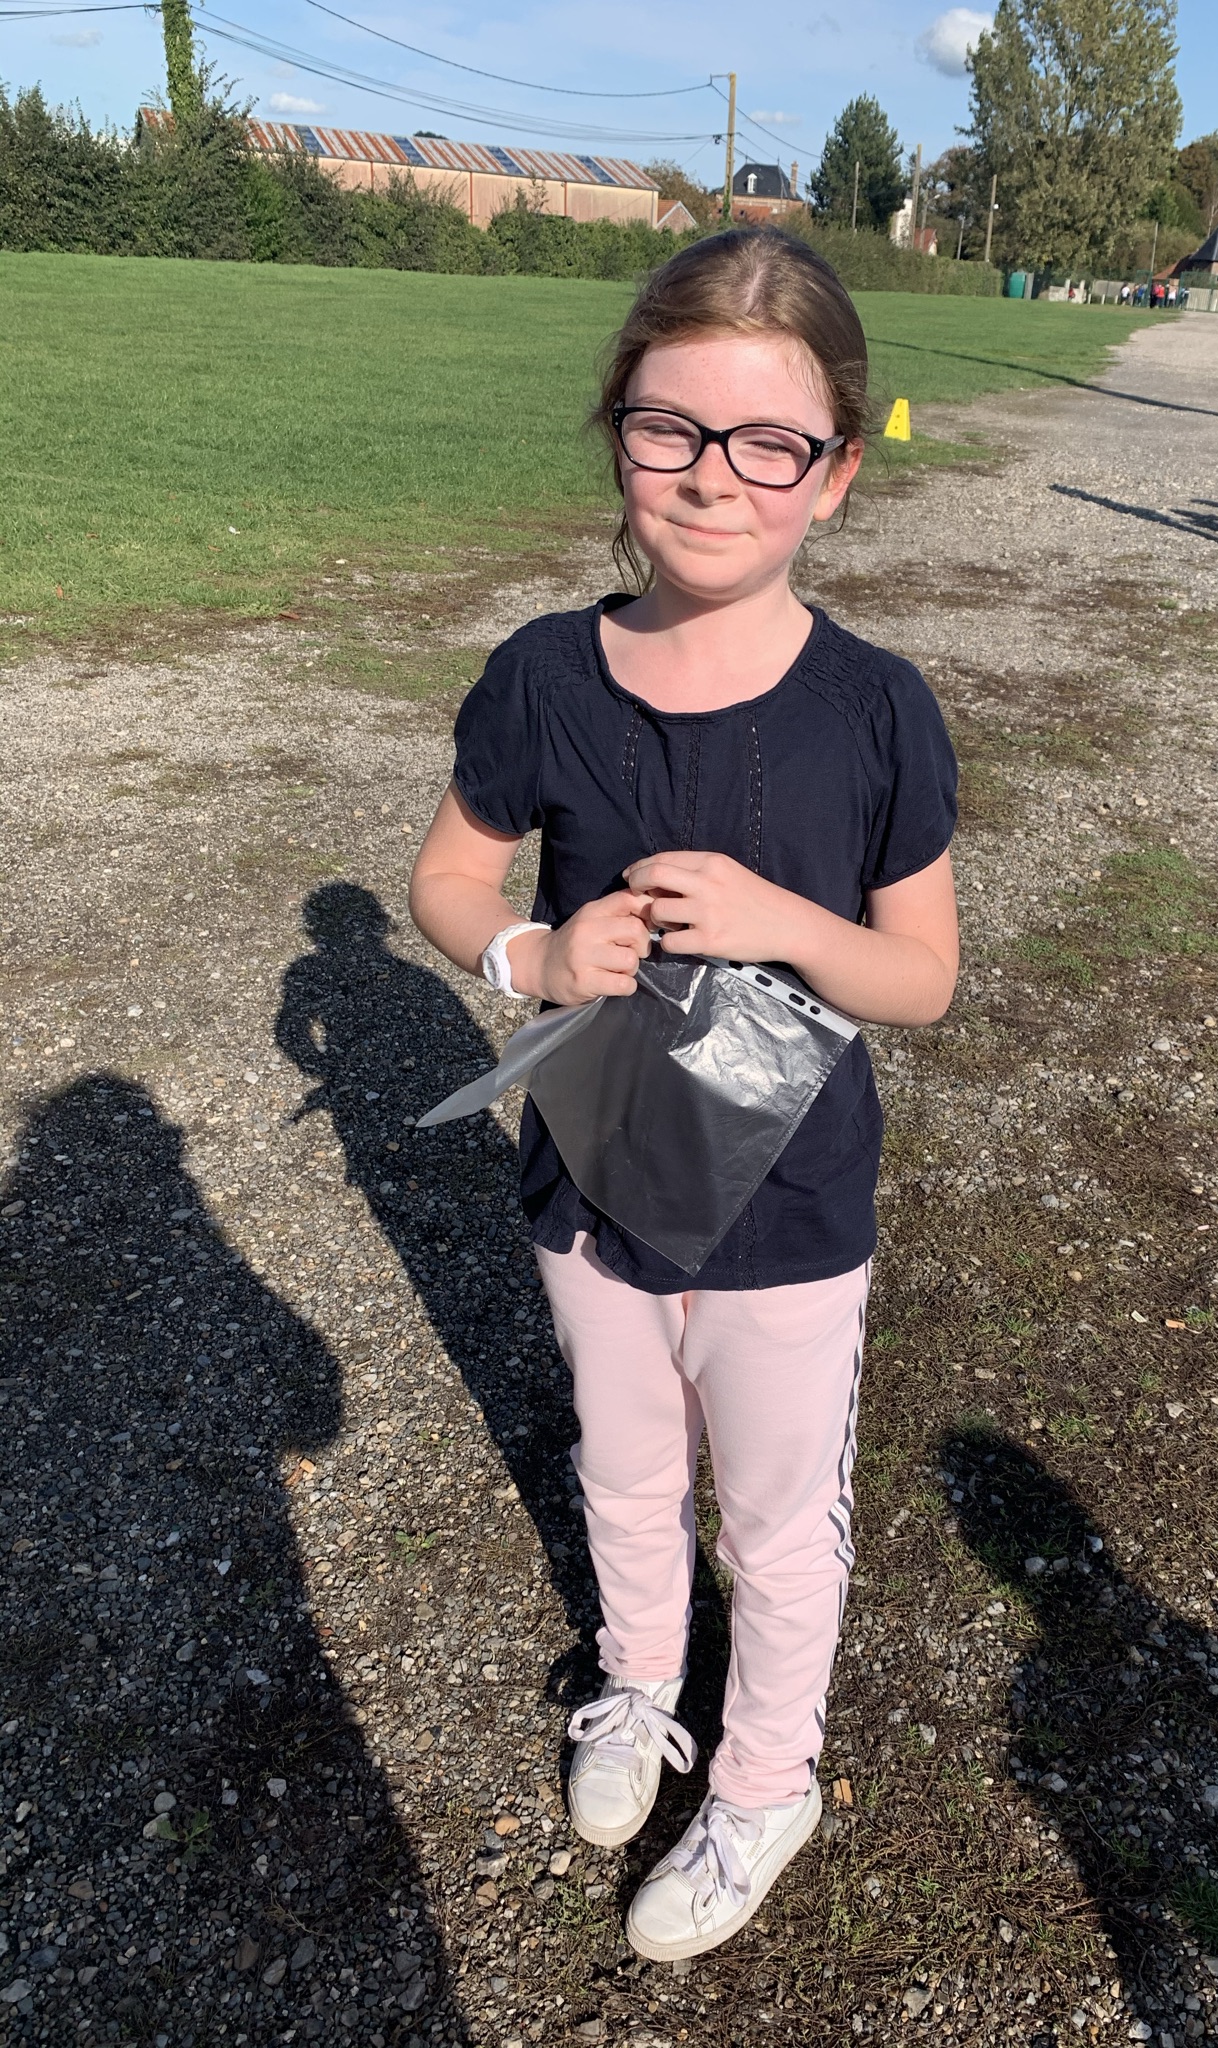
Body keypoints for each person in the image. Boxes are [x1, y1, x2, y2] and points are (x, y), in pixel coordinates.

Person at [407, 229, 960, 1962]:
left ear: (837, 473)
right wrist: (532, 955)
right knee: (626, 1467)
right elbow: (446, 882)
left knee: (778, 1528)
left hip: (791, 1213)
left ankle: (766, 1776)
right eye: (671, 429)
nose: (714, 477)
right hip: (589, 1178)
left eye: (769, 443)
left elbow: (922, 977)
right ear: (619, 437)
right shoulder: (543, 675)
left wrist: (788, 922)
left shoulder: (877, 711)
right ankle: (641, 1683)